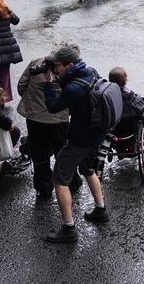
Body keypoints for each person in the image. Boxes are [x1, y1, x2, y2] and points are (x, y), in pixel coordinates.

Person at [42, 44, 109, 243]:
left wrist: (49, 84)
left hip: (81, 139)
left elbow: (54, 107)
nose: (55, 70)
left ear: (69, 64)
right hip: (98, 133)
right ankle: (100, 210)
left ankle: (68, 228)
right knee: (88, 168)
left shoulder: (73, 88)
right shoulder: (91, 72)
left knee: (60, 179)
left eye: (58, 66)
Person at [18, 54, 73, 201]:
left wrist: (34, 103)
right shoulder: (68, 69)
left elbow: (21, 86)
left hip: (35, 118)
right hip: (58, 120)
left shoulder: (36, 63)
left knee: (39, 153)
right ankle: (70, 183)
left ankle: (43, 189)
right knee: (62, 152)